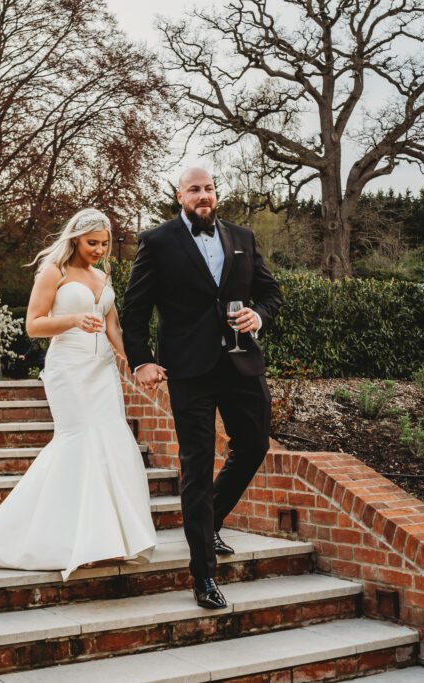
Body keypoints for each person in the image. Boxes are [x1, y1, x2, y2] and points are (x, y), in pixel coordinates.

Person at [0, 208, 156, 579]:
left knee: (112, 443)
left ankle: (106, 540)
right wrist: (71, 320)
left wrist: (138, 364)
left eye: (104, 244)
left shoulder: (102, 277)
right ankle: (69, 540)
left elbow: (113, 327)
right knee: (80, 442)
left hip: (102, 371)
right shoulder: (53, 271)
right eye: (92, 243)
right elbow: (34, 325)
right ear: (74, 239)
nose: (99, 250)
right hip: (68, 370)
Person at [122, 167, 283, 609]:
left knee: (252, 446)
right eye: (195, 189)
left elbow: (271, 293)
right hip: (189, 371)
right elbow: (134, 310)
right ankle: (203, 576)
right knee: (196, 465)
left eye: (209, 188)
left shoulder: (242, 237)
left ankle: (211, 519)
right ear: (180, 195)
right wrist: (140, 361)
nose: (203, 195)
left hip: (240, 364)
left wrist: (259, 317)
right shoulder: (157, 242)